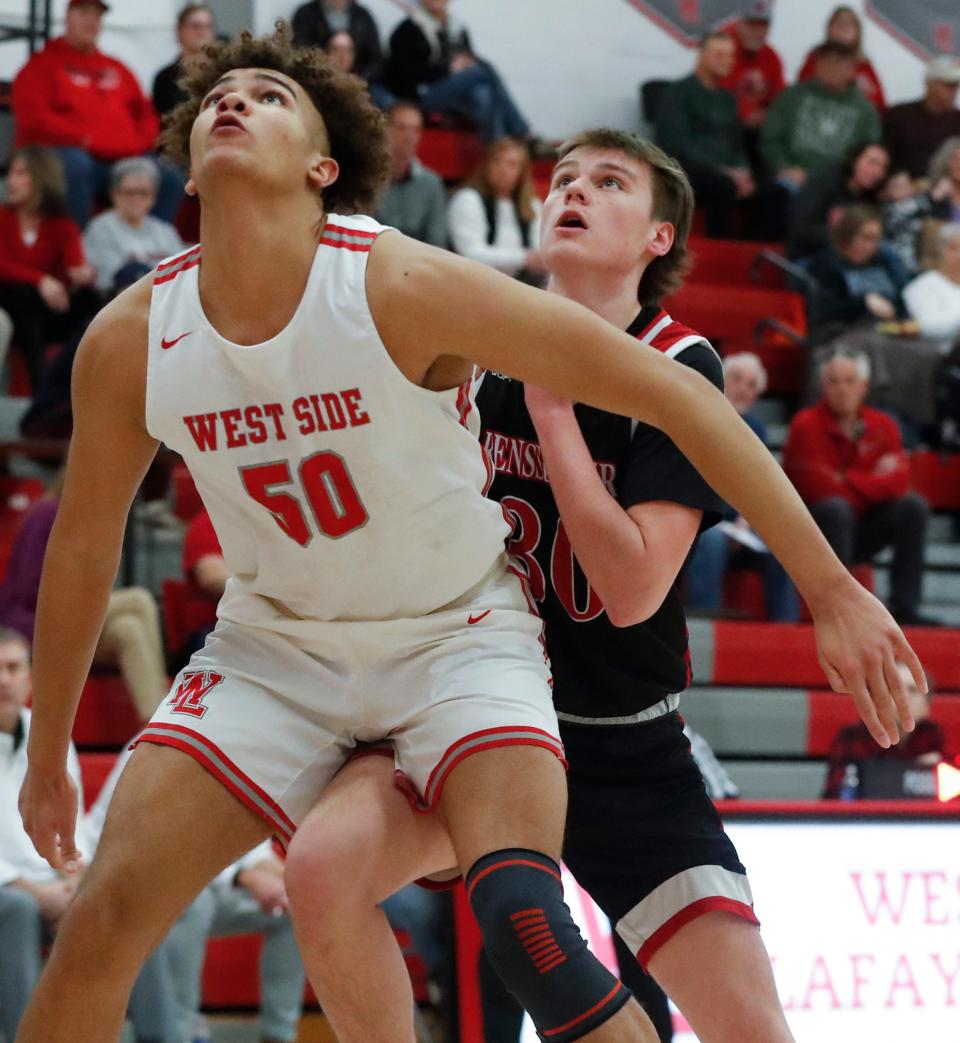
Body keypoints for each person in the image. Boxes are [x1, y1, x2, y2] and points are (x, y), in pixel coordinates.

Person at [15, 28, 922, 1043]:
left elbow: (677, 411)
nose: (236, 101)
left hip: (468, 646)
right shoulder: (134, 336)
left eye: (271, 95)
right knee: (102, 918)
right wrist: (49, 744)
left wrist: (832, 586)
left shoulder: (402, 286)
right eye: (220, 94)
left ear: (326, 168)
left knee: (535, 927)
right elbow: (84, 547)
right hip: (275, 649)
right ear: (182, 158)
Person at [282, 129, 802, 1043]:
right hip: (473, 719)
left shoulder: (681, 367)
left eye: (608, 183)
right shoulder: (471, 336)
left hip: (621, 740)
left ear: (660, 236)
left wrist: (555, 407)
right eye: (562, 179)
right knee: (327, 870)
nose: (574, 191)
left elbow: (633, 587)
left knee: (753, 1029)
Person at [0, 629, 178, 1043]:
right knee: (17, 910)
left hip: (51, 883)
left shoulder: (50, 734)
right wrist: (28, 888)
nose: (4, 680)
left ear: (30, 678)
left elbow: (70, 824)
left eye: (13, 668)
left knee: (121, 904)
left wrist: (75, 878)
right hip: (11, 890)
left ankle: (163, 1036)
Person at [84, 749, 306, 1043]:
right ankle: (181, 1032)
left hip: (207, 885)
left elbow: (249, 843)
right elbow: (164, 847)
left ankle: (278, 1036)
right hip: (137, 887)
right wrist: (243, 877)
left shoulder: (239, 744)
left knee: (295, 905)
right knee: (193, 902)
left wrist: (286, 876)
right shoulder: (156, 747)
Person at [783, 349, 933, 627]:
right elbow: (818, 488)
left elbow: (899, 482)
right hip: (815, 529)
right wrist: (872, 480)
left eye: (849, 381)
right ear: (823, 386)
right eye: (834, 381)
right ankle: (838, 611)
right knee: (836, 509)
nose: (842, 389)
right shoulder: (805, 424)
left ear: (864, 387)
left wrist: (845, 478)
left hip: (863, 526)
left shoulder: (883, 425)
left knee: (914, 507)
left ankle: (904, 607)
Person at [0, 474, 168, 721]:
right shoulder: (47, 512)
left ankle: (155, 723)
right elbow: (30, 591)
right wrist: (80, 599)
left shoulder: (91, 522)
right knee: (139, 599)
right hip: (37, 624)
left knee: (128, 629)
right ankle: (168, 718)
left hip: (72, 626)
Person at [11, 0, 183, 228]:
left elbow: (146, 113)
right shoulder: (41, 65)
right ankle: (78, 252)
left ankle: (152, 248)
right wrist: (84, 139)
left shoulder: (117, 67)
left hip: (123, 157)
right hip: (75, 157)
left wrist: (139, 143)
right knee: (76, 165)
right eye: (84, 13)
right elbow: (34, 118)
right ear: (68, 17)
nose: (91, 21)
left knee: (170, 174)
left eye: (97, 16)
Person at [686, 352, 798, 622]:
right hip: (700, 516)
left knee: (786, 544)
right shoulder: (697, 412)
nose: (743, 390)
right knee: (711, 540)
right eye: (737, 379)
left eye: (751, 385)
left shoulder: (755, 428)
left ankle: (786, 632)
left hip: (737, 524)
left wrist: (746, 523)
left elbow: (760, 484)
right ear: (722, 379)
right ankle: (704, 621)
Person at [656, 32, 786, 240]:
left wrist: (743, 172)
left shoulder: (727, 98)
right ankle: (721, 250)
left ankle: (751, 253)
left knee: (774, 192)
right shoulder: (678, 92)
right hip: (691, 171)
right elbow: (676, 144)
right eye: (719, 54)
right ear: (701, 55)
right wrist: (725, 172)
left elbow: (737, 143)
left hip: (729, 172)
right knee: (721, 185)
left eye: (730, 55)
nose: (726, 61)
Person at [0, 146, 99, 391]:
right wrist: (40, 280)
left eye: (21, 173)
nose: (11, 181)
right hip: (10, 303)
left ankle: (83, 386)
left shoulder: (62, 225)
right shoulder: (2, 217)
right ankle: (41, 389)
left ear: (42, 177)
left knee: (90, 301)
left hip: (46, 309)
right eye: (11, 174)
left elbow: (75, 266)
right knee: (23, 295)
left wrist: (84, 275)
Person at [384, 0, 532, 145]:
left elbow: (467, 61)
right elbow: (407, 76)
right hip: (423, 95)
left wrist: (463, 66)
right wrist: (448, 69)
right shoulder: (407, 30)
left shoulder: (458, 29)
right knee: (484, 71)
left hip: (455, 95)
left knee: (484, 95)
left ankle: (495, 149)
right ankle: (520, 130)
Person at [761, 41, 881, 193]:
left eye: (839, 62)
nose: (832, 68)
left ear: (853, 69)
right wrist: (783, 167)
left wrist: (819, 178)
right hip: (787, 176)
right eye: (826, 61)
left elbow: (867, 157)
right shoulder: (792, 96)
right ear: (816, 65)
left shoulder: (866, 112)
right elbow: (770, 139)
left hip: (836, 185)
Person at [822, 662, 944, 798]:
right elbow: (838, 794)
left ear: (927, 706)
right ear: (875, 699)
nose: (903, 697)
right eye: (894, 689)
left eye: (912, 690)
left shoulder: (933, 735)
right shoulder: (854, 736)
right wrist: (914, 768)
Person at [83, 158, 186, 298]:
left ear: (153, 196)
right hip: (118, 304)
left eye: (143, 193)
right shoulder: (101, 228)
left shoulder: (165, 231)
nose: (136, 199)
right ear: (115, 194)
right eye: (130, 192)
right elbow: (112, 281)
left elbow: (183, 275)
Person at [448, 137, 545, 280]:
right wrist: (524, 258)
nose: (503, 170)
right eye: (497, 161)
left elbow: (540, 252)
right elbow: (471, 254)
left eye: (511, 165)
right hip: (477, 283)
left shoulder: (533, 205)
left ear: (522, 172)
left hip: (524, 285)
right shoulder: (467, 199)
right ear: (486, 165)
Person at [804, 204, 909, 329]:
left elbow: (899, 303)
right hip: (843, 335)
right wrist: (864, 303)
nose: (872, 246)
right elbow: (823, 312)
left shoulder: (882, 260)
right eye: (866, 238)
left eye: (876, 239)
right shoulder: (826, 264)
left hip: (886, 331)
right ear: (848, 235)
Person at [786, 142, 889, 260]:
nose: (877, 172)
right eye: (872, 163)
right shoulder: (824, 183)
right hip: (810, 259)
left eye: (883, 167)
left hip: (851, 261)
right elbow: (800, 229)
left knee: (885, 249)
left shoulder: (870, 196)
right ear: (854, 160)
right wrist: (846, 239)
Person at [375, 100, 448, 248]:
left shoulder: (432, 184)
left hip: (417, 265)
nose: (409, 136)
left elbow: (437, 243)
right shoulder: (366, 177)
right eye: (401, 128)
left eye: (415, 129)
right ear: (385, 128)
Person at [721, 1, 785, 163]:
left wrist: (768, 116)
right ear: (738, 23)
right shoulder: (723, 50)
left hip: (759, 134)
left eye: (763, 25)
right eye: (751, 24)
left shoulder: (771, 57)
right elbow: (716, 100)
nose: (757, 31)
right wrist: (747, 114)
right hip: (723, 131)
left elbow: (781, 100)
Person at [883, 56, 960, 180]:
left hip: (944, 193)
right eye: (948, 85)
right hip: (899, 189)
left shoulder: (958, 122)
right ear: (929, 84)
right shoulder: (900, 115)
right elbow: (883, 156)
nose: (954, 91)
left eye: (956, 86)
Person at [797, 6, 886, 112]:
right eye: (839, 23)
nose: (843, 28)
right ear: (829, 28)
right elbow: (800, 91)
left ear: (857, 32)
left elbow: (880, 106)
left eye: (849, 24)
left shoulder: (864, 65)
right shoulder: (815, 57)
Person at [291, 0, 384, 85]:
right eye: (335, 50)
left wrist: (355, 80)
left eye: (347, 51)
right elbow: (298, 49)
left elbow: (376, 59)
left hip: (356, 85)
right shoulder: (306, 13)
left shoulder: (363, 16)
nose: (341, 56)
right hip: (314, 80)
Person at [152, 4, 217, 120]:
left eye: (207, 26)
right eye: (195, 26)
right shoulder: (165, 78)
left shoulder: (222, 72)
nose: (202, 32)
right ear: (179, 30)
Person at [903, 222, 960, 345]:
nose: (959, 255)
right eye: (953, 248)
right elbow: (924, 326)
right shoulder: (921, 287)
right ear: (940, 250)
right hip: (940, 356)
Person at [927, 136, 960, 224]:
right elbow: (924, 226)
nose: (959, 164)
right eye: (955, 159)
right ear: (945, 161)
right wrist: (936, 198)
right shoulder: (932, 192)